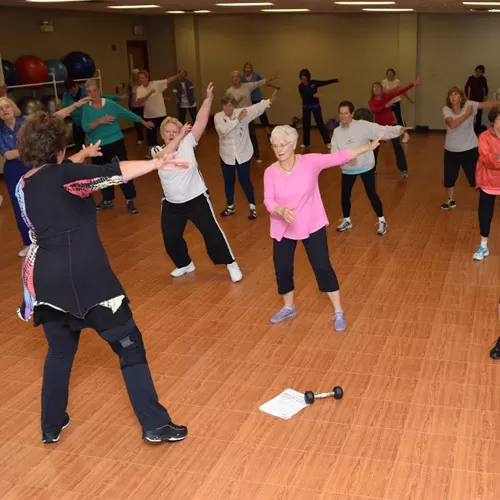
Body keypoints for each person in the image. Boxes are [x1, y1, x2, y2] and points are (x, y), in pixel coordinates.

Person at [15, 111, 190, 444]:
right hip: (88, 279)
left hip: (47, 282)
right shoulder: (68, 174)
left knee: (59, 354)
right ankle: (155, 424)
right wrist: (155, 164)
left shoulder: (25, 183)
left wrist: (80, 156)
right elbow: (111, 174)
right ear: (60, 148)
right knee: (129, 347)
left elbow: (63, 175)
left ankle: (51, 426)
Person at [264, 125, 383, 330]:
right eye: (275, 146)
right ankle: (288, 307)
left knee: (321, 267)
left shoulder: (309, 162)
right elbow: (268, 200)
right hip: (283, 226)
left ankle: (338, 311)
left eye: (283, 145)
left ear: (293, 144)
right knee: (282, 269)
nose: (279, 149)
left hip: (312, 224)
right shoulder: (270, 172)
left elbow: (339, 156)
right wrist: (280, 210)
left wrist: (368, 147)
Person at [152, 83, 242, 282]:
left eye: (175, 130)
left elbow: (200, 120)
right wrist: (180, 136)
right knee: (170, 238)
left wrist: (208, 99)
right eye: (167, 131)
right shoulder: (157, 151)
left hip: (196, 199)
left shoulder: (188, 143)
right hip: (172, 204)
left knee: (212, 233)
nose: (171, 133)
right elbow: (165, 155)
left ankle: (231, 263)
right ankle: (184, 264)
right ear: (162, 134)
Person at [0, 95, 90, 257]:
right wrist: (33, 145)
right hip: (13, 171)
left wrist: (74, 106)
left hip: (32, 164)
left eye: (7, 106)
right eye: (1, 109)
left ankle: (50, 236)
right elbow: (8, 155)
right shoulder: (1, 132)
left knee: (43, 200)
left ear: (13, 107)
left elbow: (53, 118)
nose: (4, 110)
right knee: (20, 207)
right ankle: (28, 243)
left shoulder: (26, 121)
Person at [332, 101, 407, 236]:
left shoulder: (363, 126)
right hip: (347, 169)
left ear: (352, 114)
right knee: (344, 196)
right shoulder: (337, 132)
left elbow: (382, 130)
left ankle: (382, 221)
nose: (343, 116)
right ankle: (347, 220)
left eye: (346, 113)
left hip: (365, 167)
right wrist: (345, 158)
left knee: (371, 194)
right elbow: (334, 152)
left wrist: (398, 130)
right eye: (341, 113)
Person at [82, 79, 154, 214]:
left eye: (94, 90)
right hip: (97, 147)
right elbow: (86, 127)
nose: (92, 94)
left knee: (122, 171)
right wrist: (100, 121)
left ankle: (130, 199)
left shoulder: (110, 105)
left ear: (99, 91)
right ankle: (107, 199)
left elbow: (127, 113)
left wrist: (143, 122)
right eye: (89, 91)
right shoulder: (86, 108)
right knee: (102, 174)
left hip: (116, 143)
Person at [214, 90, 278, 220]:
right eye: (226, 105)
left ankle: (252, 207)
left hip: (243, 154)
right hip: (227, 156)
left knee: (245, 181)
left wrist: (269, 100)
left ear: (234, 106)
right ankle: (230, 207)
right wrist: (238, 119)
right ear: (222, 106)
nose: (228, 108)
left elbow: (256, 108)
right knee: (229, 181)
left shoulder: (241, 112)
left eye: (231, 105)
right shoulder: (218, 117)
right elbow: (224, 130)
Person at [441, 86, 500, 210]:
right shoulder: (446, 109)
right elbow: (452, 124)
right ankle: (451, 200)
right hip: (451, 149)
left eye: (456, 94)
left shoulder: (469, 104)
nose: (453, 97)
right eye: (451, 95)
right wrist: (467, 115)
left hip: (470, 148)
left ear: (461, 97)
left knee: (476, 177)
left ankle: (490, 196)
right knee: (449, 178)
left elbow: (486, 104)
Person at [369, 77, 420, 178]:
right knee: (374, 149)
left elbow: (399, 91)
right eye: (374, 88)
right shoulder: (371, 101)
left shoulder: (386, 96)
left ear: (381, 89)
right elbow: (375, 110)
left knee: (397, 147)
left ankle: (404, 169)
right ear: (372, 90)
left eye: (378, 88)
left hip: (391, 126)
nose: (376, 89)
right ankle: (372, 169)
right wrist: (386, 106)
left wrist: (413, 84)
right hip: (378, 128)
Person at [226, 69, 278, 163]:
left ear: (240, 78)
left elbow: (259, 83)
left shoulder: (247, 86)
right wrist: (237, 100)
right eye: (234, 77)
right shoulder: (229, 91)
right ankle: (239, 155)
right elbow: (229, 105)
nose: (236, 78)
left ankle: (256, 155)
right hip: (236, 117)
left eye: (238, 76)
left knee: (252, 134)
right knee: (238, 136)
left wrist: (272, 78)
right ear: (232, 79)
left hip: (248, 114)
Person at [62, 78, 122, 151]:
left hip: (88, 121)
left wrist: (118, 98)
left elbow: (103, 97)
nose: (72, 93)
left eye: (73, 90)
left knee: (91, 144)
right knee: (79, 146)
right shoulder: (66, 95)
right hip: (77, 123)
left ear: (76, 86)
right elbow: (65, 106)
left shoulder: (85, 92)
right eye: (70, 91)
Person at [472, 107, 500, 261]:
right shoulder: (484, 136)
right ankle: (483, 245)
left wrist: (496, 156)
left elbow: (493, 158)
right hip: (488, 181)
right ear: (493, 121)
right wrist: (495, 158)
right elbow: (487, 159)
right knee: (485, 214)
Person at [135, 69, 182, 148]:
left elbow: (167, 80)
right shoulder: (139, 89)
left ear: (147, 78)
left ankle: (172, 148)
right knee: (151, 137)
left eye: (142, 77)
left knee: (166, 132)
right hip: (149, 116)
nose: (141, 80)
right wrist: (149, 94)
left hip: (160, 114)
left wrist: (178, 75)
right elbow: (139, 101)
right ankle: (153, 152)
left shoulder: (156, 84)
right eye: (139, 78)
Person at [298, 69, 340, 149]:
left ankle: (328, 142)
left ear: (307, 77)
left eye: (304, 78)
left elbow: (324, 82)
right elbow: (304, 97)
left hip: (315, 106)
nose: (303, 80)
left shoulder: (313, 83)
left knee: (320, 123)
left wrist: (336, 80)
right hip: (306, 107)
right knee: (306, 125)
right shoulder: (300, 87)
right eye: (302, 78)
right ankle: (306, 143)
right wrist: (313, 95)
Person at [241, 62, 275, 140]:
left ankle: (268, 133)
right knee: (248, 118)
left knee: (263, 116)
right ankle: (249, 135)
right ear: (244, 69)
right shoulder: (242, 78)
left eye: (249, 67)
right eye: (246, 68)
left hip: (257, 98)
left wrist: (273, 86)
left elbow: (263, 83)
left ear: (251, 69)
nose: (247, 69)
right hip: (248, 101)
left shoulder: (256, 76)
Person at [381, 68, 413, 143]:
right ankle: (387, 136)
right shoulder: (383, 82)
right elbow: (387, 92)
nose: (390, 75)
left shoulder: (397, 81)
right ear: (386, 74)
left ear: (394, 75)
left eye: (391, 74)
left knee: (399, 118)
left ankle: (406, 135)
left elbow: (400, 91)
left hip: (396, 101)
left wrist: (409, 99)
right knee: (386, 118)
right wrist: (393, 90)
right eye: (388, 74)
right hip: (388, 103)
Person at [465, 65, 488, 134]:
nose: (479, 73)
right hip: (472, 99)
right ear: (475, 71)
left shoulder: (483, 78)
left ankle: (477, 130)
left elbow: (486, 88)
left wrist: (485, 96)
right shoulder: (471, 78)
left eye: (480, 72)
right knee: (471, 114)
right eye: (478, 71)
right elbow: (466, 87)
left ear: (482, 72)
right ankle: (470, 130)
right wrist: (467, 96)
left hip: (480, 100)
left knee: (479, 115)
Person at [127, 69, 145, 145]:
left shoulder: (142, 83)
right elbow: (128, 94)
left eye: (138, 73)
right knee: (137, 123)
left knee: (146, 121)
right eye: (136, 74)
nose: (137, 75)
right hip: (135, 106)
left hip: (143, 105)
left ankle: (149, 138)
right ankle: (141, 138)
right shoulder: (130, 84)